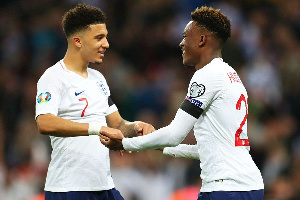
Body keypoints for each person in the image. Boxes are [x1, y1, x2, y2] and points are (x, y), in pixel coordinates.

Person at [100, 6, 264, 200]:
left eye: (186, 36)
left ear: (202, 39)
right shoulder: (231, 75)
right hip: (248, 185)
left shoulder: (206, 75)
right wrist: (158, 146)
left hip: (225, 189)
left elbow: (174, 135)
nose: (181, 43)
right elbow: (207, 150)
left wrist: (126, 143)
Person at [35, 4, 154, 200]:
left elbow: (117, 124)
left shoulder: (98, 79)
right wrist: (96, 129)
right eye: (99, 38)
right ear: (77, 41)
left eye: (105, 36)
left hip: (104, 186)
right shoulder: (53, 77)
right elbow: (44, 122)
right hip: (68, 189)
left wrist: (137, 127)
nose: (106, 44)